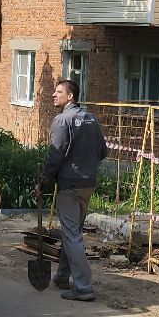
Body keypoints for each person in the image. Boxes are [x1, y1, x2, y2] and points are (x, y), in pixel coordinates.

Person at [38, 78, 107, 301]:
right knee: (73, 232)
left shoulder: (62, 121)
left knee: (72, 236)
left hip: (69, 185)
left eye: (59, 92)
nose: (53, 95)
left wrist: (42, 182)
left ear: (70, 97)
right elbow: (103, 152)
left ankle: (84, 287)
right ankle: (62, 276)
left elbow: (55, 155)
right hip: (88, 184)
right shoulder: (91, 119)